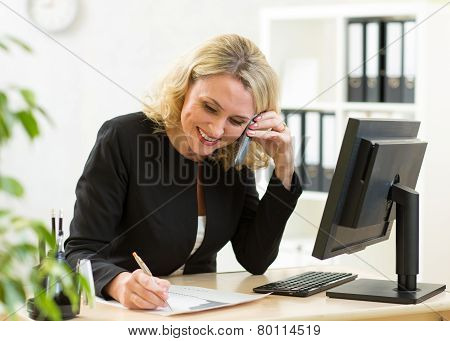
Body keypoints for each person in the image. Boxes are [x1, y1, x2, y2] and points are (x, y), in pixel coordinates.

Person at [65, 34, 302, 310]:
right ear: (186, 86)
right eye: (209, 107)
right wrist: (118, 284)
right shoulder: (124, 138)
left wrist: (284, 166)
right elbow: (78, 253)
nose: (216, 130)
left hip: (200, 314)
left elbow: (255, 259)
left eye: (236, 121)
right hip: (129, 314)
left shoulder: (232, 155)